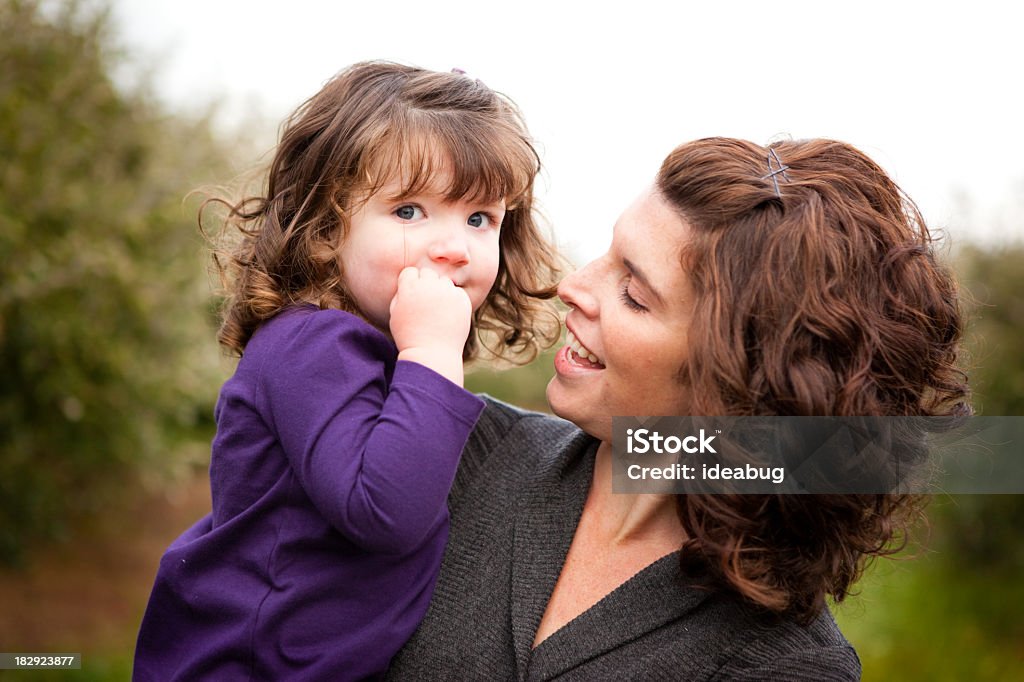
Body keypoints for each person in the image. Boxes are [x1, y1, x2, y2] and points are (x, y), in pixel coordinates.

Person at [387, 137, 969, 680]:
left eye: (634, 295)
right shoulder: (448, 451)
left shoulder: (785, 664)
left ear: (738, 378)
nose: (574, 287)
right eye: (607, 256)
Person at [132, 61, 563, 680]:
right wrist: (433, 354)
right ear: (329, 229)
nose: (454, 246)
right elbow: (386, 511)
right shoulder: (311, 344)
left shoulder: (368, 352)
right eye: (409, 210)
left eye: (480, 219)